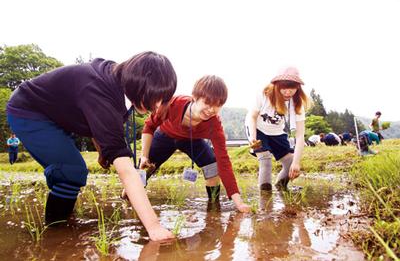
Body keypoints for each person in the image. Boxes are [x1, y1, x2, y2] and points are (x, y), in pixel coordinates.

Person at [6, 51, 177, 241]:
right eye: (156, 97)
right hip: (29, 111)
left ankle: (64, 223)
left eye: (164, 98)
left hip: (59, 116)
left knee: (71, 172)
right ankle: (56, 236)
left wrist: (102, 150)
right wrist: (154, 227)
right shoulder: (99, 91)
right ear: (139, 84)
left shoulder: (118, 81)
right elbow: (126, 171)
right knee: (72, 171)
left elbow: (99, 124)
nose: (158, 105)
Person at [135, 75, 250, 213]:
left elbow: (224, 162)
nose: (212, 110)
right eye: (208, 102)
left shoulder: (215, 126)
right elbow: (149, 127)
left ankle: (213, 207)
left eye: (218, 105)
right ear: (195, 97)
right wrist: (144, 156)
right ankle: (129, 199)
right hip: (165, 136)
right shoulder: (173, 103)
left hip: (192, 141)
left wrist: (239, 203)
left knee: (212, 165)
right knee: (142, 171)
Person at [245, 66, 309, 191]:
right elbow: (252, 117)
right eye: (284, 88)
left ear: (297, 87)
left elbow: (300, 135)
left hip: (277, 132)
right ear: (276, 85)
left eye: (292, 89)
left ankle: (280, 187)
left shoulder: (297, 103)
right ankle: (265, 199)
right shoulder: (264, 94)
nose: (288, 92)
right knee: (265, 160)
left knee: (291, 163)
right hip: (257, 129)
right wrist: (253, 137)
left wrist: (296, 162)